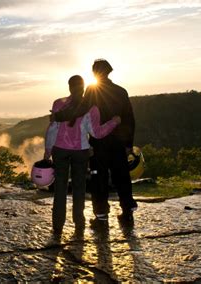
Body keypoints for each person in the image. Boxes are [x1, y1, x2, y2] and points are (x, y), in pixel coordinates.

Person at [53, 59, 137, 224]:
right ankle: (127, 211)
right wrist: (128, 144)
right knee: (121, 175)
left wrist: (59, 116)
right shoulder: (121, 92)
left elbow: (80, 110)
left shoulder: (92, 90)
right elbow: (129, 119)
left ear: (94, 73)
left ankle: (101, 215)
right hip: (119, 142)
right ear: (108, 71)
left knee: (99, 177)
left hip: (99, 142)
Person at [44, 75, 121, 235]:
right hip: (81, 152)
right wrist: (114, 122)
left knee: (60, 189)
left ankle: (57, 226)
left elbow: (53, 129)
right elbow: (97, 133)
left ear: (69, 87)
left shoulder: (59, 104)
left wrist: (48, 150)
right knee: (79, 189)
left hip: (60, 150)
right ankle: (79, 223)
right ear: (83, 86)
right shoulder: (91, 107)